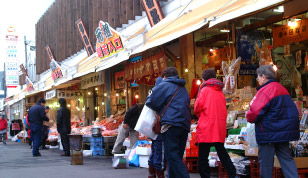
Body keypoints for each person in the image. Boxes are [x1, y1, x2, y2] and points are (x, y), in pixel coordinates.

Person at [246, 65, 300, 178]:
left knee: (266, 164)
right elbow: (294, 111)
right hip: (283, 133)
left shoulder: (265, 91)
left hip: (268, 133)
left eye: (258, 78)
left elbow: (254, 113)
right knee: (287, 160)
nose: (258, 80)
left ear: (263, 77)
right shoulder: (282, 89)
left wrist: (248, 116)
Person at [146, 67, 191, 178]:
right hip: (184, 124)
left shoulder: (164, 85)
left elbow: (151, 102)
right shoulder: (183, 88)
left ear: (164, 76)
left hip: (171, 124)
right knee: (176, 157)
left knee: (172, 156)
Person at [194, 69, 237, 178]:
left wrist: (202, 116)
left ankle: (205, 176)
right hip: (219, 126)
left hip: (206, 126)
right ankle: (233, 174)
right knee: (222, 152)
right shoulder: (220, 91)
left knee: (203, 156)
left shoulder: (204, 90)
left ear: (203, 79)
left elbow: (197, 108)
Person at [148, 77, 166, 178]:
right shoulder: (161, 96)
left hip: (153, 129)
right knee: (160, 153)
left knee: (154, 151)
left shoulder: (151, 94)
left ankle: (151, 174)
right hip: (160, 128)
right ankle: (159, 175)